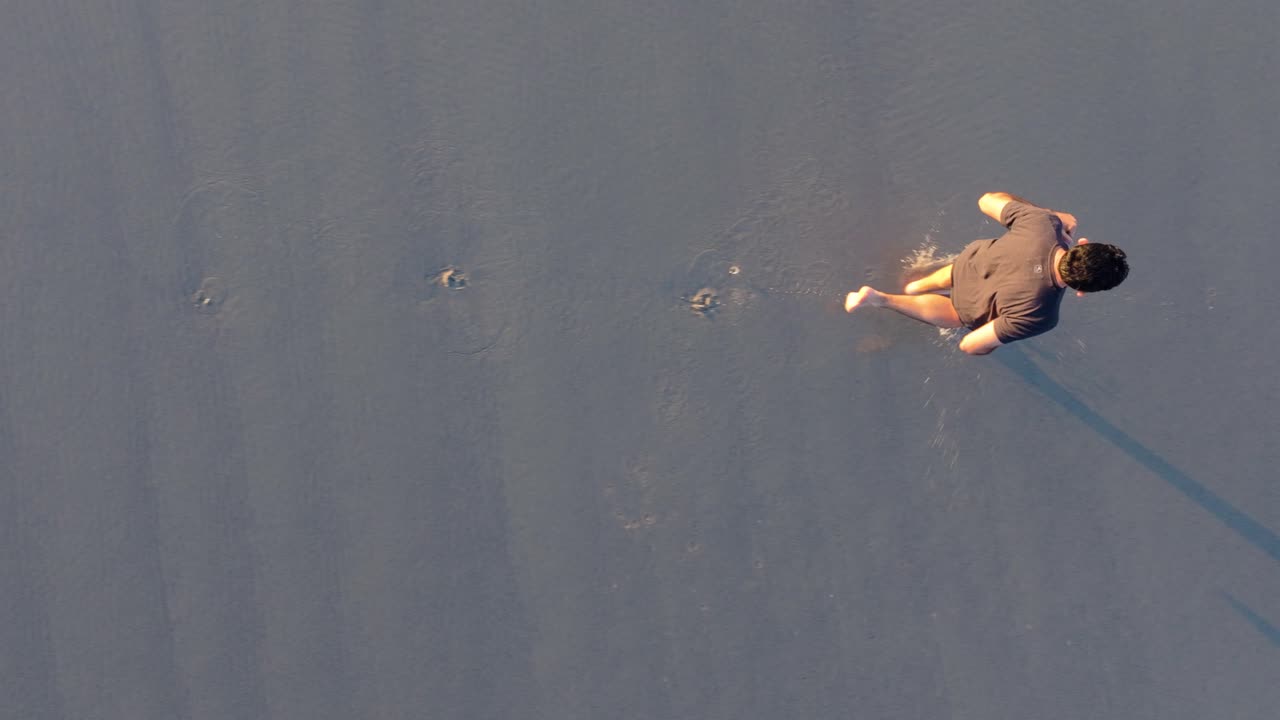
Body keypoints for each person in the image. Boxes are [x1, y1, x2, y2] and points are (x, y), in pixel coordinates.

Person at [844, 192, 1129, 355]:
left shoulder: (1042, 222)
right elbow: (970, 344)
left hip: (972, 262)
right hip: (971, 306)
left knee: (955, 272)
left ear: (1082, 244)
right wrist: (988, 349)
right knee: (956, 315)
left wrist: (1049, 215)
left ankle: (915, 286)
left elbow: (987, 200)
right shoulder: (1042, 316)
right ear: (1082, 290)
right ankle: (881, 299)